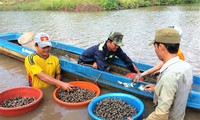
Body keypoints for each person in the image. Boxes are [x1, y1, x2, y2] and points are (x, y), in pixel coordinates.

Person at [143, 28, 193, 120]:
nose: (155, 50)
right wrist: (157, 89)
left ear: (161, 47)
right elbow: (181, 91)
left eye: (155, 46)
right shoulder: (187, 67)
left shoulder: (169, 75)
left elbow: (161, 115)